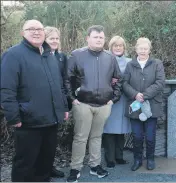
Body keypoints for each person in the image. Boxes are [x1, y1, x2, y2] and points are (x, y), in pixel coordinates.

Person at [1, 19, 69, 182]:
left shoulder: (49, 55)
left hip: (51, 120)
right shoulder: (13, 55)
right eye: (31, 29)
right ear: (22, 33)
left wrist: (63, 107)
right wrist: (13, 117)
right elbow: (6, 89)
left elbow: (58, 85)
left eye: (39, 29)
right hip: (28, 121)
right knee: (25, 163)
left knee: (45, 161)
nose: (36, 31)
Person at [64, 25, 123, 182]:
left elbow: (118, 79)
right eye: (96, 37)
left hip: (104, 105)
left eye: (101, 37)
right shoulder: (77, 55)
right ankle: (75, 168)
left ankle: (95, 166)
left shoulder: (110, 57)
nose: (99, 40)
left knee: (97, 137)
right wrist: (72, 99)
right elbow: (67, 79)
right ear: (87, 38)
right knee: (81, 137)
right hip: (83, 104)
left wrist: (113, 99)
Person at [122, 37, 165, 171]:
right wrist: (135, 94)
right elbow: (124, 83)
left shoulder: (157, 63)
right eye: (140, 48)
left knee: (150, 136)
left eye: (145, 48)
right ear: (136, 49)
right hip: (135, 105)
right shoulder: (130, 65)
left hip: (152, 105)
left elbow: (160, 83)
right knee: (137, 136)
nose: (143, 51)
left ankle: (150, 159)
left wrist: (144, 95)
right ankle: (137, 159)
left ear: (149, 50)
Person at [102, 36, 132, 168]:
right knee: (109, 129)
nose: (118, 48)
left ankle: (119, 156)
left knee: (121, 129)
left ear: (124, 48)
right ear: (111, 47)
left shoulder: (130, 62)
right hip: (109, 99)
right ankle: (109, 158)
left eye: (120, 45)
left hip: (124, 99)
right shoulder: (104, 60)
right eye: (115, 45)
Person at [44, 26, 69, 178]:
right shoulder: (40, 56)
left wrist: (66, 104)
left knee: (52, 140)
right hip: (43, 104)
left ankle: (49, 167)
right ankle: (40, 170)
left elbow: (65, 81)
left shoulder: (61, 57)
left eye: (56, 38)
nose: (54, 41)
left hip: (57, 104)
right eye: (51, 38)